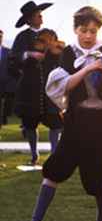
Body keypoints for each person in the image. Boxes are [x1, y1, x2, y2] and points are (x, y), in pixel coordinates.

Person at [13, 6, 102, 221]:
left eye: (93, 31)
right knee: (55, 168)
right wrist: (89, 67)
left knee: (96, 172)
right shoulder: (67, 53)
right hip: (77, 121)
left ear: (99, 31)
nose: (88, 35)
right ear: (76, 29)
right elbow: (62, 86)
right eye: (83, 30)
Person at [14, 29, 64, 164]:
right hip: (31, 92)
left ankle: (54, 154)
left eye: (51, 39)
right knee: (30, 124)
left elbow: (63, 64)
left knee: (55, 124)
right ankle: (34, 154)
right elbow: (15, 60)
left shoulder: (57, 52)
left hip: (49, 93)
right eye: (43, 40)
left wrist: (56, 51)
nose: (47, 43)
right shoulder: (30, 49)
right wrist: (30, 55)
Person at [0, 29, 17, 127]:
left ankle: (3, 121)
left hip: (5, 83)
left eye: (1, 36)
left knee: (6, 105)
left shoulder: (8, 51)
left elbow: (12, 67)